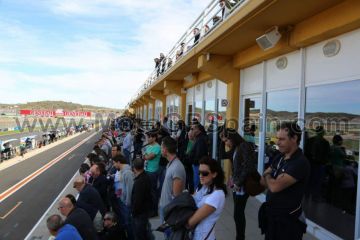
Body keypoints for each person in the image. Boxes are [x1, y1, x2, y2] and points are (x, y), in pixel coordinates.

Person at [259, 122, 310, 240]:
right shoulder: (280, 157)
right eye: (277, 139)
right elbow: (262, 181)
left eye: (282, 139)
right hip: (272, 218)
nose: (277, 142)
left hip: (288, 223)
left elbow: (274, 187)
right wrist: (269, 177)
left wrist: (268, 175)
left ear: (294, 138)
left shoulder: (300, 162)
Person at [222, 128, 256, 240]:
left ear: (232, 138)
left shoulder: (244, 146)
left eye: (226, 140)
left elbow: (248, 166)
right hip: (237, 184)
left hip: (243, 186)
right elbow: (222, 155)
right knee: (237, 213)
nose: (226, 143)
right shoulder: (236, 147)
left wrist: (238, 182)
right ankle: (240, 236)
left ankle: (240, 237)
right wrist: (220, 142)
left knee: (238, 213)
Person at [188, 157, 226, 240]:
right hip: (196, 235)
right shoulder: (203, 187)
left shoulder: (217, 195)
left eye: (204, 173)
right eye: (199, 173)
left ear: (214, 174)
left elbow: (191, 222)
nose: (201, 176)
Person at [159, 136, 186, 238]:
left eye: (162, 147)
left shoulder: (177, 167)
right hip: (165, 208)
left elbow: (176, 196)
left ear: (165, 149)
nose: (161, 150)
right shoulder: (171, 164)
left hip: (169, 212)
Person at [112, 154, 134, 240]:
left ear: (118, 162)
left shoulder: (127, 173)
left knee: (128, 223)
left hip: (127, 204)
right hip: (123, 201)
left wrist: (127, 203)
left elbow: (130, 190)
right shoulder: (122, 171)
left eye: (114, 163)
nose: (114, 165)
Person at [131, 158, 154, 240]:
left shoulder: (139, 182)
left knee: (140, 234)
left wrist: (133, 212)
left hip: (140, 214)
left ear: (134, 168)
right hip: (144, 211)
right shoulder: (146, 176)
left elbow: (137, 200)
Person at [144, 130, 161, 214]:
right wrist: (146, 156)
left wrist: (146, 156)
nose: (148, 139)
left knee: (153, 191)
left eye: (149, 137)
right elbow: (145, 156)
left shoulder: (157, 147)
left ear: (154, 138)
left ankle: (154, 210)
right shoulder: (149, 146)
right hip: (147, 170)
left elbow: (149, 157)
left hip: (153, 171)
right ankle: (149, 207)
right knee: (148, 191)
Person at [189, 123, 209, 190]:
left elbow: (199, 154)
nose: (191, 131)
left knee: (197, 182)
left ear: (198, 130)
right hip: (197, 164)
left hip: (198, 164)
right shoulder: (198, 138)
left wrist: (193, 161)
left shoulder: (200, 140)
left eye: (193, 129)